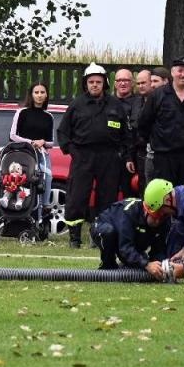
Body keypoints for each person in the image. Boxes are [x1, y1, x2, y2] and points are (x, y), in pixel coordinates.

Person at [57, 62, 131, 249]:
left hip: (109, 157)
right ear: (86, 84)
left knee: (107, 197)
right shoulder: (77, 105)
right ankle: (74, 238)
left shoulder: (115, 105)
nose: (95, 85)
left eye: (98, 81)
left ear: (104, 83)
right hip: (83, 156)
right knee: (77, 196)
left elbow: (126, 134)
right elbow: (63, 132)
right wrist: (72, 151)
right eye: (91, 82)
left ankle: (100, 236)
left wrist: (123, 153)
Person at [138, 56, 184, 185]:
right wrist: (154, 142)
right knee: (165, 197)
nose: (183, 74)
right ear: (173, 72)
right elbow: (144, 123)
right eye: (180, 70)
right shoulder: (157, 95)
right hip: (164, 157)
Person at [8, 82, 55, 227]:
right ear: (31, 94)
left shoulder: (49, 116)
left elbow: (51, 142)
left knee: (47, 176)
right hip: (23, 153)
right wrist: (31, 141)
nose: (39, 95)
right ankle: (18, 216)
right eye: (36, 92)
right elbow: (13, 135)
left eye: (42, 92)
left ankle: (44, 211)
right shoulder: (22, 112)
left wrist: (42, 142)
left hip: (41, 154)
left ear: (46, 95)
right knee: (25, 181)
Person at [89, 195, 171, 271]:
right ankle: (107, 265)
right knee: (108, 233)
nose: (158, 222)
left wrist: (162, 266)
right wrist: (146, 264)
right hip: (103, 226)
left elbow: (159, 249)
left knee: (136, 264)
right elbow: (125, 248)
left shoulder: (164, 220)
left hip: (128, 235)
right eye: (155, 218)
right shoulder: (129, 214)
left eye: (161, 219)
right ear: (146, 212)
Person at [114, 68, 142, 198]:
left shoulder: (139, 102)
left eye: (126, 80)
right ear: (115, 84)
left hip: (132, 158)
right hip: (111, 157)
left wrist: (129, 157)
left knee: (130, 195)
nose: (122, 83)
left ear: (132, 83)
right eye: (119, 80)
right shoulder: (108, 102)